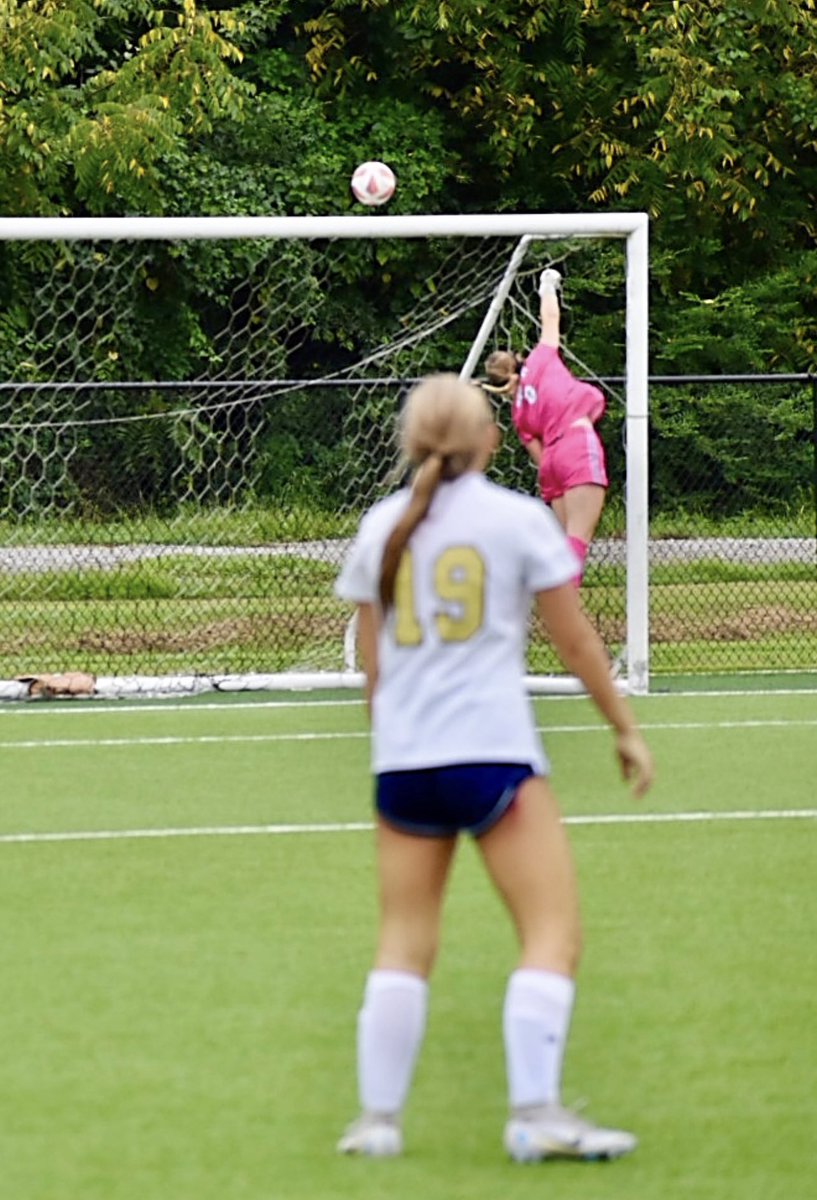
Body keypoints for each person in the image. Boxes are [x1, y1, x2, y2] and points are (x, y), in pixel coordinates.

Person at [333, 373, 654, 1163]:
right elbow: (575, 641)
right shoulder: (515, 520)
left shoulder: (382, 526)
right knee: (550, 933)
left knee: (403, 941)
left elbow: (372, 663)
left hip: (405, 764)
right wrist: (623, 729)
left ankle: (376, 1122)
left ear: (411, 443)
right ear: (488, 441)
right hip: (495, 757)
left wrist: (400, 733)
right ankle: (536, 1110)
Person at [484, 268, 608, 586]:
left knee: (566, 545)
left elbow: (539, 459)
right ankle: (557, 608)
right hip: (576, 444)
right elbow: (550, 318)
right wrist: (547, 286)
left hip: (552, 459)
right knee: (577, 543)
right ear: (515, 359)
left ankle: (552, 598)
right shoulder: (541, 359)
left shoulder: (518, 412)